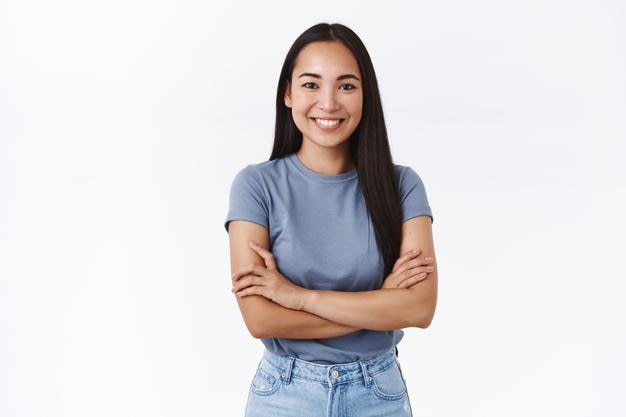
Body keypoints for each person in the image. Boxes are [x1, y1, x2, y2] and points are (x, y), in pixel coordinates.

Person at [224, 22, 437, 417]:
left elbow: (419, 308)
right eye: (310, 85)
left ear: (365, 96)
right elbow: (260, 318)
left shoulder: (403, 185)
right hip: (284, 395)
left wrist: (298, 297)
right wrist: (380, 304)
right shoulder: (256, 186)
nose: (328, 103)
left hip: (378, 394)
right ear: (287, 93)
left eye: (346, 85)